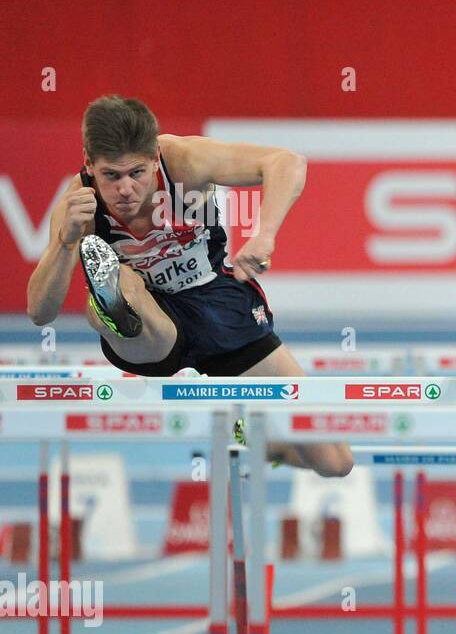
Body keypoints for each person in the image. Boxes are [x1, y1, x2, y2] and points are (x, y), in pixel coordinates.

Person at [26, 95, 353, 477]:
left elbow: (286, 162)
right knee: (123, 285)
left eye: (137, 173)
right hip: (152, 327)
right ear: (89, 165)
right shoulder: (77, 203)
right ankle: (109, 307)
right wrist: (66, 243)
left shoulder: (183, 161)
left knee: (336, 462)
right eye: (111, 176)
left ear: (153, 157)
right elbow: (40, 312)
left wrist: (265, 234)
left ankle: (257, 441)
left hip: (219, 305)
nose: (126, 189)